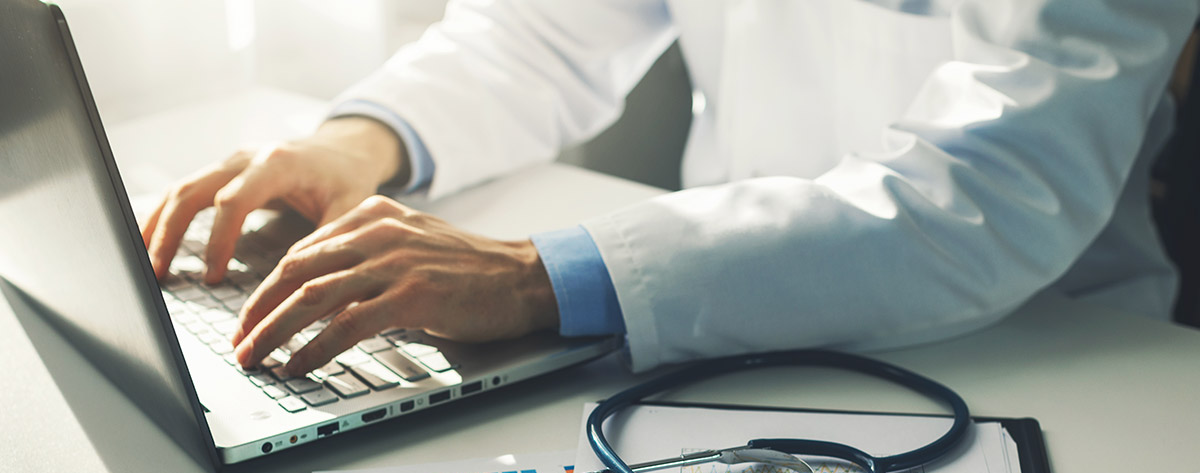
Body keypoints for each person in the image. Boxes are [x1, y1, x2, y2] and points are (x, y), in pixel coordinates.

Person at [141, 0, 1200, 379]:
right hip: (723, 329)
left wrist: (534, 276)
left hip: (1045, 357)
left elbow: (992, 187)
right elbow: (543, 30)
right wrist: (357, 143)